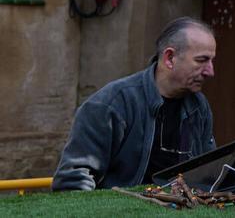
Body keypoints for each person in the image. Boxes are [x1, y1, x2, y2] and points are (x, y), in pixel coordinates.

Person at [52, 17, 217, 191]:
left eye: (211, 61)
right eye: (201, 60)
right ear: (170, 58)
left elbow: (209, 174)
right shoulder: (112, 103)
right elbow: (73, 182)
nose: (210, 71)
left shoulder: (199, 107)